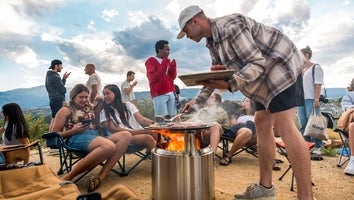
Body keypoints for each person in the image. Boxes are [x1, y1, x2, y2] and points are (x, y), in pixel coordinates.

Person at [177, 5, 314, 199]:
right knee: (261, 121)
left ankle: (305, 197)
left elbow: (258, 63)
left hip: (280, 65)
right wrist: (197, 102)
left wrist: (231, 83)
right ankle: (265, 189)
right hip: (259, 80)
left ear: (195, 21)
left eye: (186, 31)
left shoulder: (230, 27)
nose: (187, 36)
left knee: (284, 125)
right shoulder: (212, 43)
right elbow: (216, 76)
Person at [51, 84, 132, 192]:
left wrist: (101, 99)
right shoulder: (65, 110)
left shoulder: (88, 107)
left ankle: (100, 177)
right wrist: (73, 131)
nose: (84, 100)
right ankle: (68, 177)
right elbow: (53, 134)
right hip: (76, 138)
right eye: (81, 97)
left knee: (126, 135)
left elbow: (102, 105)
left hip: (95, 136)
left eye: (86, 97)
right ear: (73, 97)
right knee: (109, 146)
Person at [100, 84, 157, 151]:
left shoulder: (128, 105)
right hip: (122, 138)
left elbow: (141, 119)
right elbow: (114, 129)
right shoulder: (104, 112)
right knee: (148, 138)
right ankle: (161, 160)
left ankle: (167, 155)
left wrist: (155, 124)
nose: (105, 96)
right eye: (104, 94)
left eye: (107, 94)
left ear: (116, 94)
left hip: (138, 133)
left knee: (155, 132)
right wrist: (137, 132)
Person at [297, 46, 325, 161]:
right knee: (303, 124)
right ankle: (306, 146)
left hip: (311, 99)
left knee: (314, 124)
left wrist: (317, 99)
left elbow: (318, 84)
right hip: (300, 99)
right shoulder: (300, 69)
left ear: (306, 55)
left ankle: (318, 147)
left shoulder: (315, 67)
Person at [145, 40, 177, 118]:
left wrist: (173, 67)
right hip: (159, 94)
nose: (168, 52)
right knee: (162, 119)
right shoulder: (151, 61)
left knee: (173, 119)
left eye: (169, 50)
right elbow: (154, 77)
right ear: (159, 49)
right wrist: (164, 63)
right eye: (166, 49)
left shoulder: (166, 61)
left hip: (170, 93)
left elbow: (172, 77)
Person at [220, 98, 256, 166]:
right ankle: (229, 155)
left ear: (252, 103)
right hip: (241, 131)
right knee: (247, 131)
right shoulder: (238, 114)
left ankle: (270, 159)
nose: (244, 103)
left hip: (255, 135)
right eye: (244, 101)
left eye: (247, 101)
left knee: (264, 130)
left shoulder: (258, 115)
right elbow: (234, 125)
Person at [45, 59, 71, 131]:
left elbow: (58, 87)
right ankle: (56, 138)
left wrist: (64, 79)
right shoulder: (55, 77)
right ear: (56, 66)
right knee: (59, 120)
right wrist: (64, 87)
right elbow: (63, 90)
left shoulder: (49, 76)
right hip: (58, 100)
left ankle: (51, 137)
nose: (62, 67)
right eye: (61, 66)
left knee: (54, 119)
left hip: (53, 99)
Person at [340, 78, 354, 175]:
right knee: (353, 126)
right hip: (351, 123)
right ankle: (353, 160)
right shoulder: (349, 95)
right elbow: (347, 108)